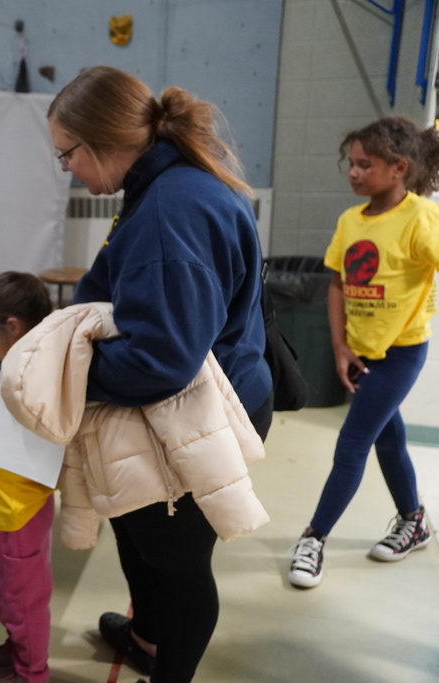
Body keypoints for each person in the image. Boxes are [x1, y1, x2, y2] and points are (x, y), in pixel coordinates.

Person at [48, 66, 272, 683]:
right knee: (138, 536)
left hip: (199, 418)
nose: (66, 168)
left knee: (177, 567)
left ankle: (170, 669)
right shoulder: (166, 187)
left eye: (66, 154)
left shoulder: (170, 213)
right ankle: (147, 635)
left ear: (100, 143)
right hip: (194, 403)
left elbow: (161, 361)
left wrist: (64, 376)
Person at [287, 116, 439, 589]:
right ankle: (414, 521)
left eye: (365, 165)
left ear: (398, 168)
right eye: (350, 164)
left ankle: (314, 537)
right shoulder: (350, 221)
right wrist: (338, 346)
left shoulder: (420, 218)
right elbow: (337, 282)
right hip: (361, 351)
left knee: (352, 443)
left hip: (401, 352)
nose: (353, 173)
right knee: (387, 438)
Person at [0, 272, 56, 683]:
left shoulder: (35, 374)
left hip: (22, 506)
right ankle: (16, 650)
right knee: (11, 593)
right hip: (12, 504)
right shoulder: (31, 367)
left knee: (23, 598)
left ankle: (31, 672)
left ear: (13, 328)